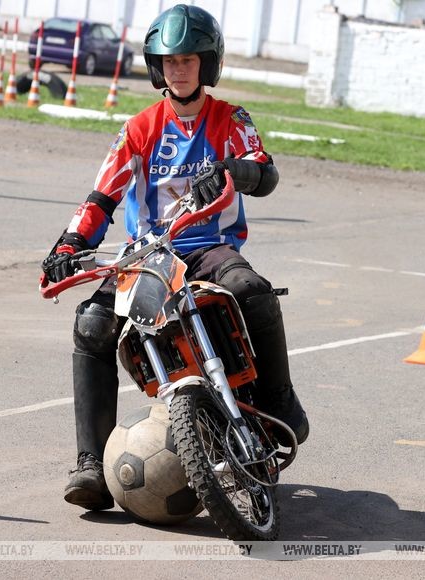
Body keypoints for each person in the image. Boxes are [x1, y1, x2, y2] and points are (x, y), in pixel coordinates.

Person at [41, 4, 309, 511]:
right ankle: (90, 465)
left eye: (188, 59)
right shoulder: (139, 128)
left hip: (208, 247)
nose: (178, 69)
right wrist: (69, 244)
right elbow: (102, 197)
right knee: (91, 326)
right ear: (155, 67)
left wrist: (232, 170)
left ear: (207, 65)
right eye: (168, 61)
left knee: (253, 292)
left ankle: (280, 402)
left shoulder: (232, 119)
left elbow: (264, 171)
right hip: (147, 257)